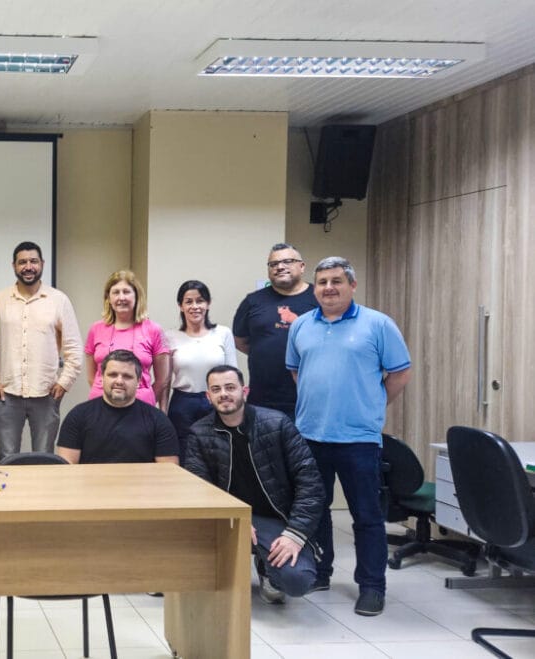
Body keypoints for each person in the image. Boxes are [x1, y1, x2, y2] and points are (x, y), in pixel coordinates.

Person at [287, 256, 412, 617]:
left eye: (336, 281)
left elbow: (400, 374)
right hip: (311, 435)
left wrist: (371, 405)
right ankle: (320, 572)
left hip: (359, 439)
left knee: (366, 516)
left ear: (352, 285)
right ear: (315, 288)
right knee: (316, 511)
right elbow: (297, 372)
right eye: (322, 282)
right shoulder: (301, 326)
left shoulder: (378, 324)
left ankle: (372, 586)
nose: (329, 288)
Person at [184, 365, 324, 605]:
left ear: (244, 391)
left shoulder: (277, 424)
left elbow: (310, 484)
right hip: (228, 517)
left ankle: (267, 568)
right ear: (208, 396)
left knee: (297, 580)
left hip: (274, 518)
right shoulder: (199, 433)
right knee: (190, 574)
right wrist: (230, 518)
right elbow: (199, 488)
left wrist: (295, 534)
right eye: (216, 390)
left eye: (230, 387)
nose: (223, 394)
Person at [0, 241, 83, 461]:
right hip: (7, 394)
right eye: (22, 262)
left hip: (46, 394)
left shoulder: (59, 300)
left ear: (42, 264)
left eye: (33, 261)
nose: (28, 267)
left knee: (44, 457)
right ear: (14, 266)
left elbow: (74, 348)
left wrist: (64, 382)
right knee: (7, 457)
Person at [231, 243, 318, 417]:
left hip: (310, 397)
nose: (280, 267)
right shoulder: (253, 301)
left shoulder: (319, 298)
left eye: (287, 261)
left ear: (302, 266)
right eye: (274, 264)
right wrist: (266, 352)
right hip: (263, 401)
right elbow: (240, 341)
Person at [56, 350, 179, 465]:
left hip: (140, 482)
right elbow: (67, 469)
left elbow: (169, 472)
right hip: (92, 482)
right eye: (113, 375)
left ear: (138, 381)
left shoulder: (158, 420)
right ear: (102, 378)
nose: (119, 381)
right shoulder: (78, 417)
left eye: (127, 376)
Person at [164, 280, 237, 448]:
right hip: (182, 403)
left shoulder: (223, 333)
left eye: (200, 301)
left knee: (218, 450)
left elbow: (233, 374)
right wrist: (163, 410)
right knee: (184, 452)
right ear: (181, 306)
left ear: (208, 304)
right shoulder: (170, 337)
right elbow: (165, 381)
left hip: (216, 400)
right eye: (189, 302)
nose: (195, 306)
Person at [84, 270, 170, 407]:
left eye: (126, 292)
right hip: (100, 405)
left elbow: (162, 379)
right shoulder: (96, 329)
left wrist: (146, 401)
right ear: (108, 298)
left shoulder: (153, 330)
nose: (121, 297)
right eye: (116, 292)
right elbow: (92, 377)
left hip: (141, 406)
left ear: (137, 296)